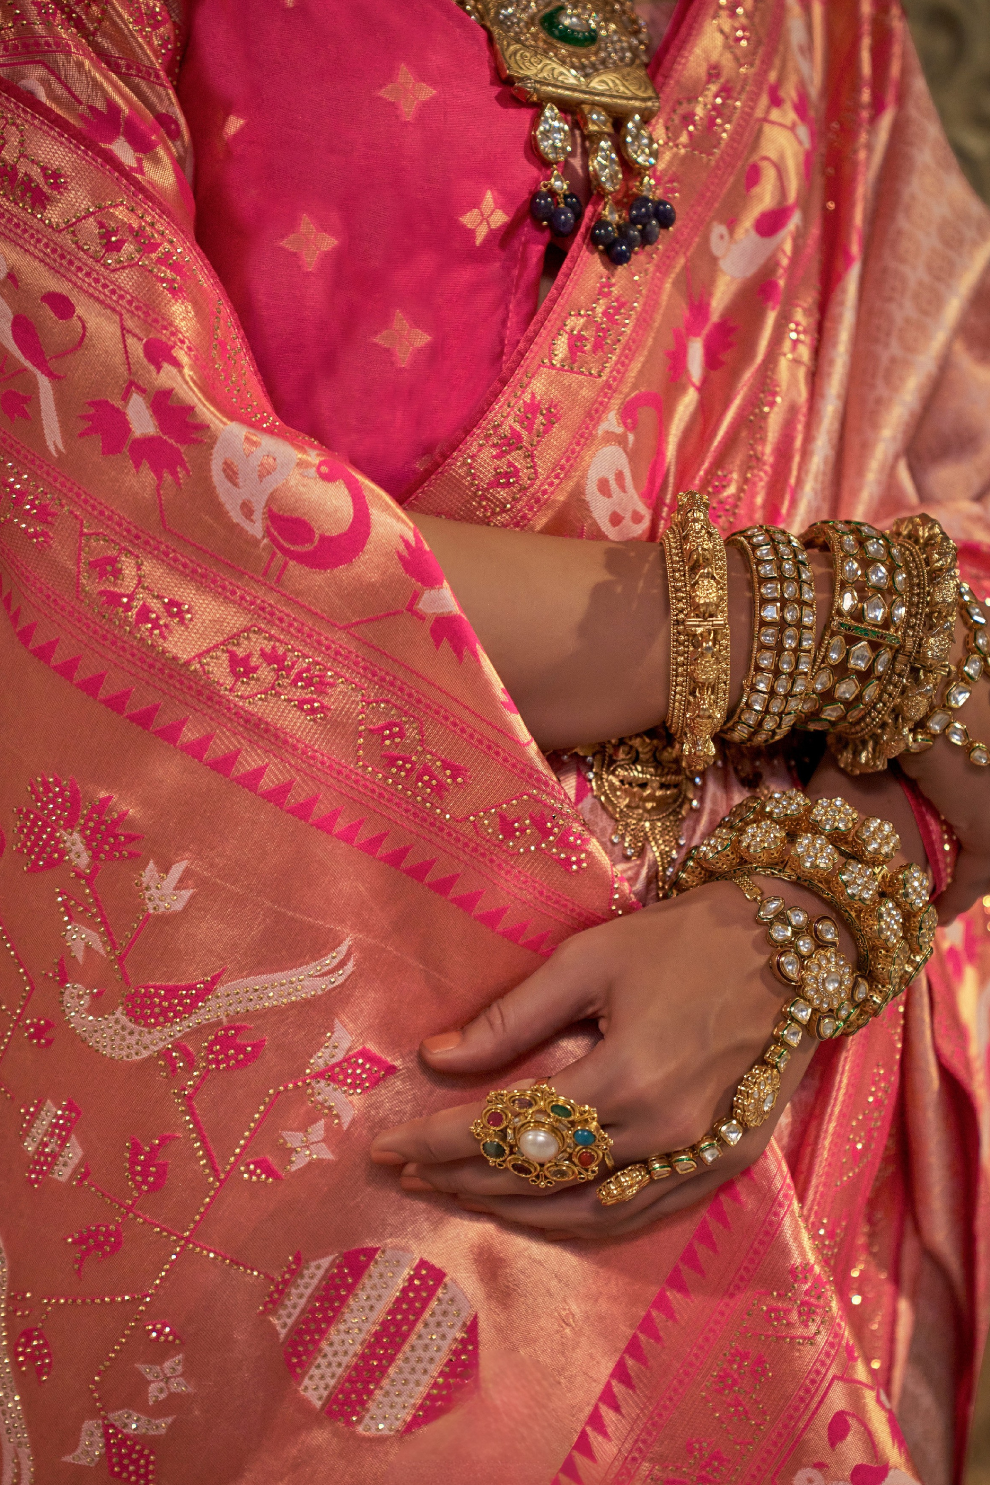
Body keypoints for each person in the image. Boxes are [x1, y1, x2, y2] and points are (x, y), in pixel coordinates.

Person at [0, 2, 988, 1482]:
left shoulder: (827, 35)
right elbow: (97, 498)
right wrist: (831, 619)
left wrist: (802, 914)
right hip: (297, 1047)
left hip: (776, 1105)